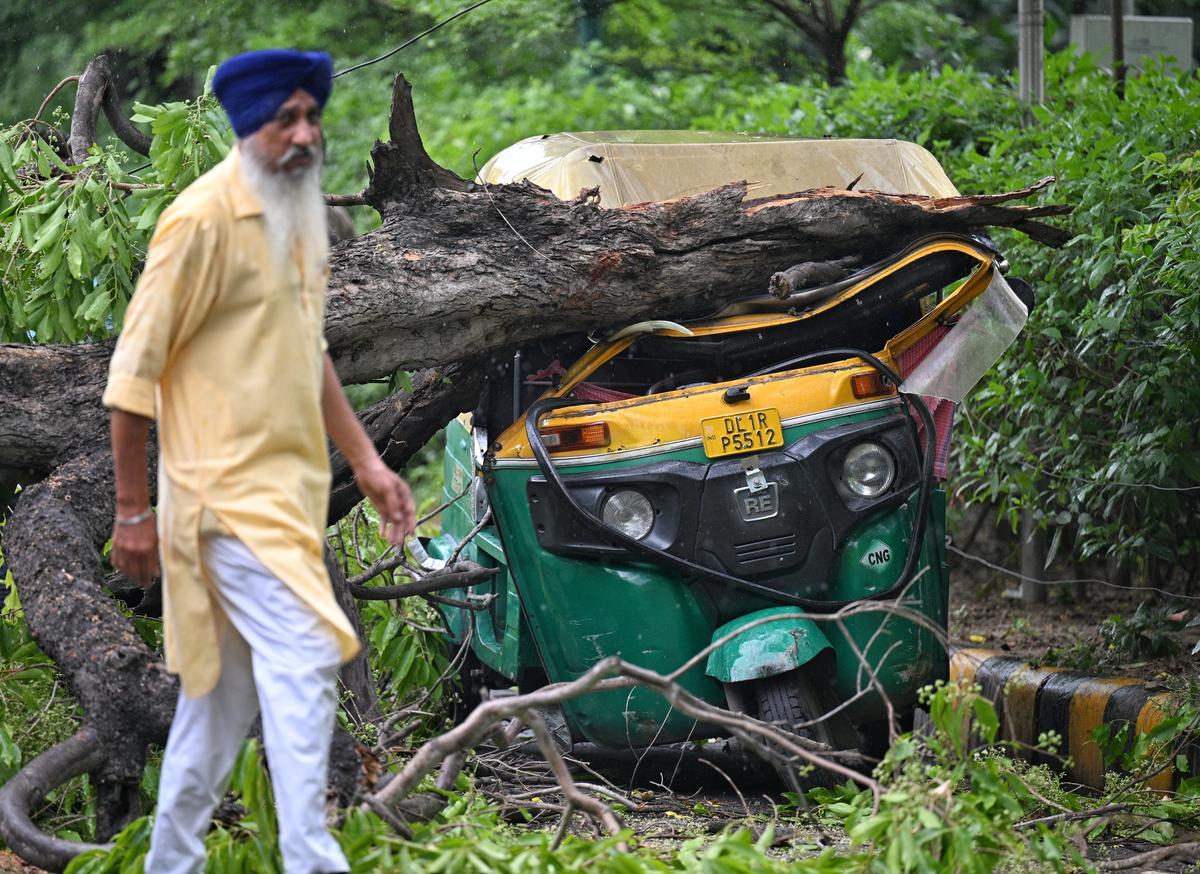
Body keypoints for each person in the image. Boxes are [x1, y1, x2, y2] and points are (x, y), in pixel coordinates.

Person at [102, 49, 415, 874]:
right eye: (287, 119)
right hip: (222, 499)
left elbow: (306, 358)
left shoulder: (294, 212)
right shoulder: (198, 222)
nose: (305, 134)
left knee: (221, 702)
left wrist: (371, 465)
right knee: (313, 649)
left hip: (284, 497)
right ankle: (313, 858)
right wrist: (131, 512)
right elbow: (130, 378)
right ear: (249, 127)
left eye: (313, 117)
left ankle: (172, 862)